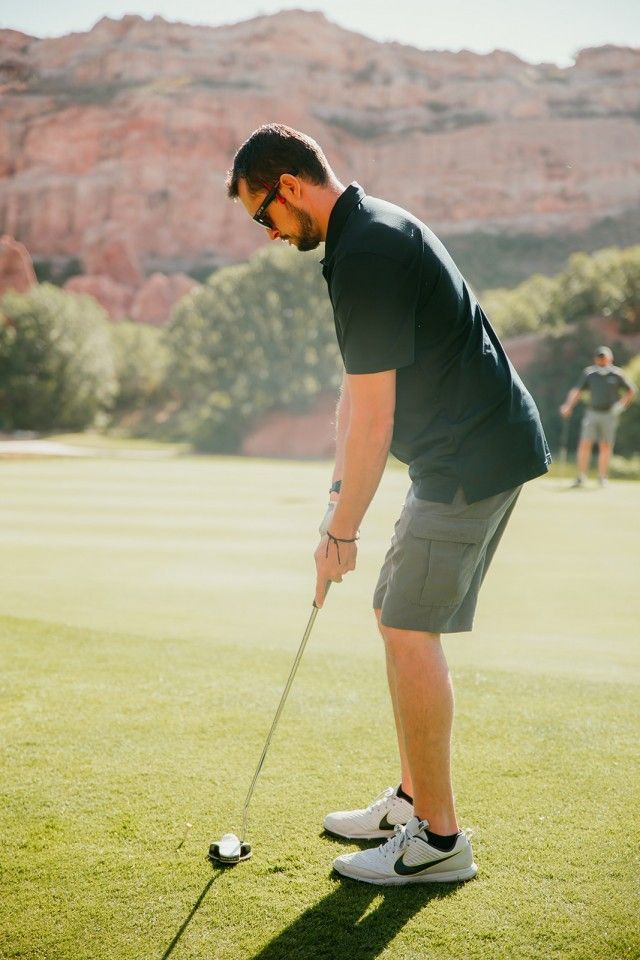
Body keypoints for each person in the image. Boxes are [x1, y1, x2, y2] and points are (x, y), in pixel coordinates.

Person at [226, 123, 551, 886]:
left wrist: (342, 533)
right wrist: (335, 509)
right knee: (394, 614)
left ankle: (439, 842)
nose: (268, 234)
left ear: (291, 186)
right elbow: (354, 394)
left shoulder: (366, 251)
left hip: (473, 455)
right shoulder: (359, 235)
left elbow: (376, 418)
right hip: (468, 448)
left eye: (263, 216)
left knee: (408, 626)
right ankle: (412, 799)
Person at [560, 346, 636, 488]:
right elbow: (577, 391)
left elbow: (631, 391)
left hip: (609, 414)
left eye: (604, 357)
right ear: (595, 359)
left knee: (605, 446)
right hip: (592, 413)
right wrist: (568, 406)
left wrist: (621, 406)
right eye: (599, 357)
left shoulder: (617, 374)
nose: (602, 359)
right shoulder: (590, 373)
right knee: (585, 444)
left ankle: (602, 478)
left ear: (610, 358)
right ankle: (581, 477)